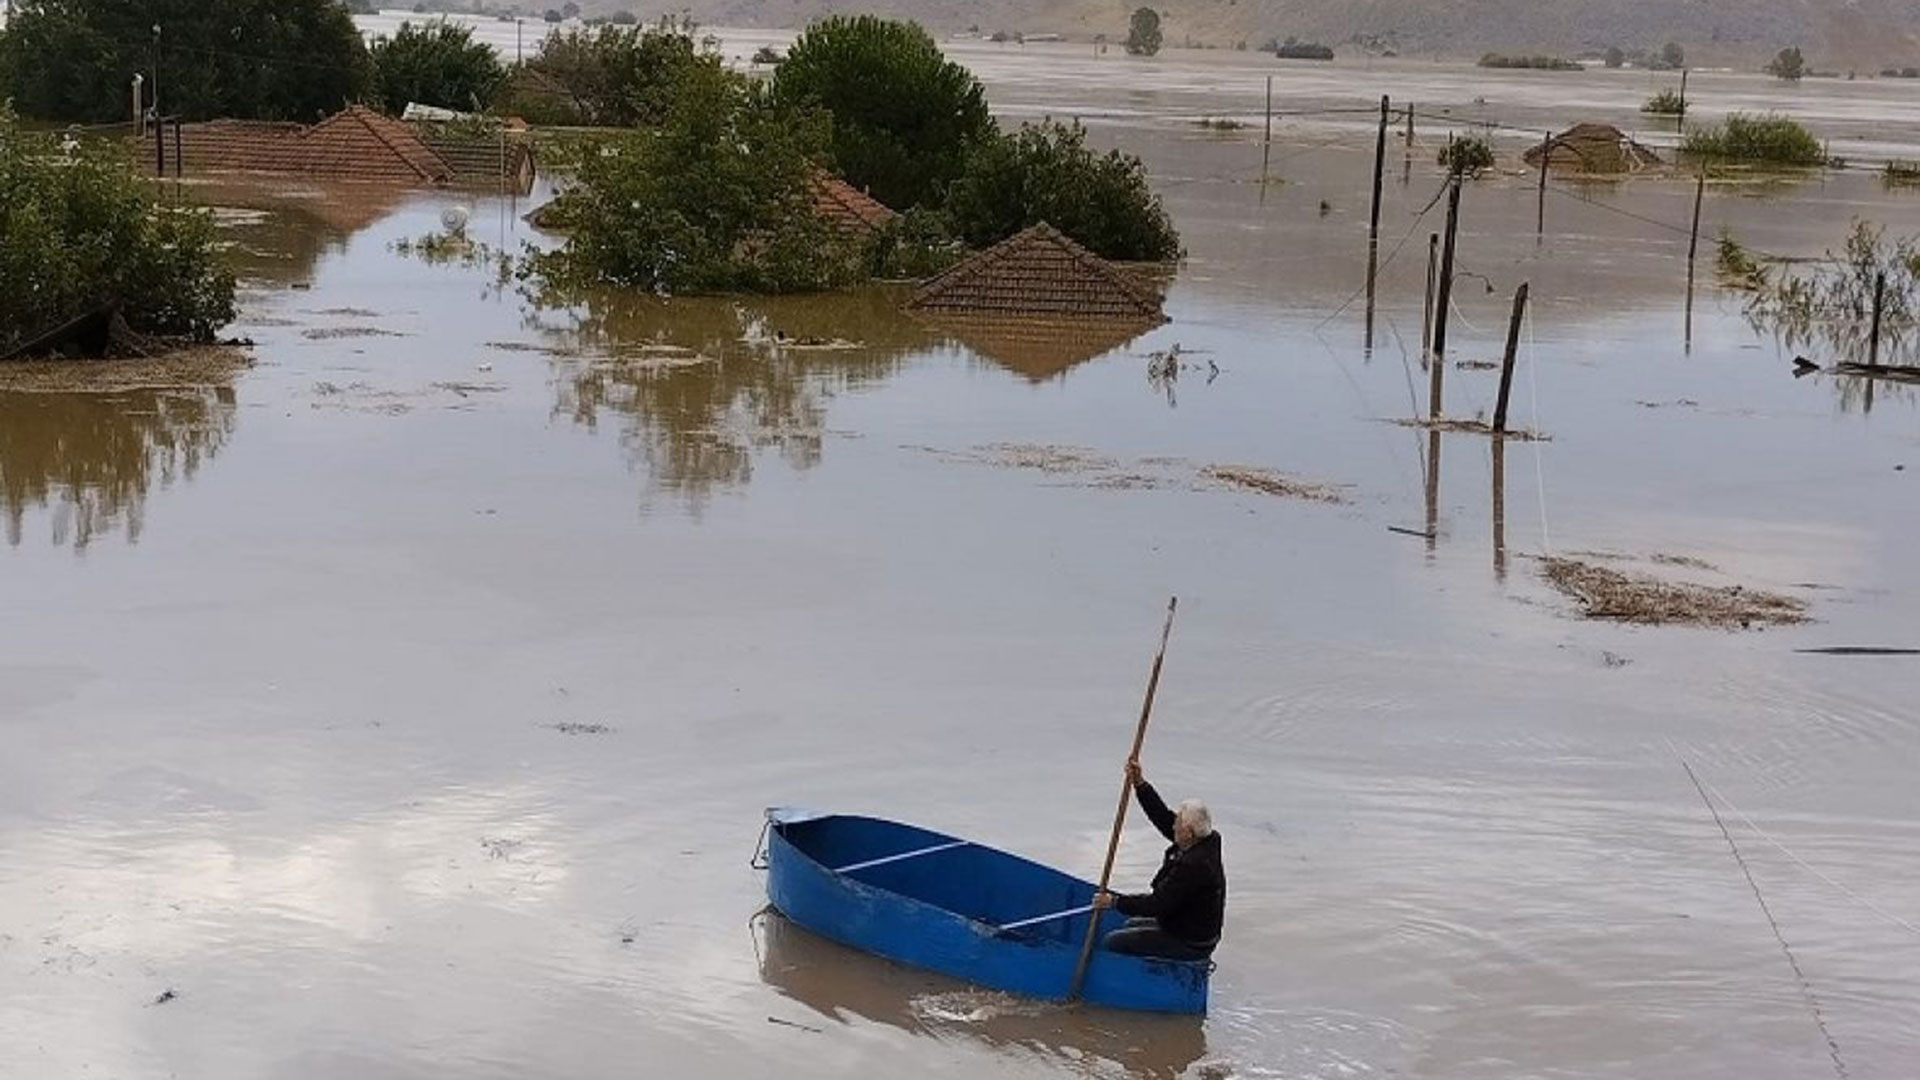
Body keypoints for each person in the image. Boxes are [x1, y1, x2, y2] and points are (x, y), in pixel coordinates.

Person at [1092, 759, 1225, 961]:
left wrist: (1114, 901)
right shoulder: (1203, 840)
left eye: (1178, 823)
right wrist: (1140, 784)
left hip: (1191, 941)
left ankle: (1134, 984)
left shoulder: (1194, 866)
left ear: (1188, 833)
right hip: (1183, 924)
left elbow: (1157, 904)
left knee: (1113, 941)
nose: (1173, 827)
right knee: (1130, 924)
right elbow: (1163, 818)